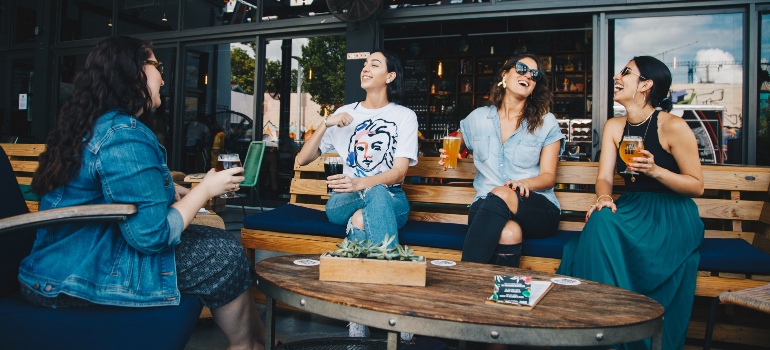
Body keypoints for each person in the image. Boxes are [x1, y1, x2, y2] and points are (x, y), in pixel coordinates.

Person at [21, 37, 273, 350]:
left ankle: (257, 340)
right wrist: (206, 189)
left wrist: (170, 188)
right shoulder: (124, 136)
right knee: (222, 253)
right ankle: (249, 343)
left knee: (218, 243)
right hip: (71, 276)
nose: (163, 78)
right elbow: (152, 235)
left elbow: (111, 192)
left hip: (65, 260)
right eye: (157, 66)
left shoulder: (98, 125)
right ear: (134, 71)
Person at [557, 56, 704, 350]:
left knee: (598, 231)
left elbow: (696, 185)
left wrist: (657, 171)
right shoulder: (614, 126)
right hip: (632, 208)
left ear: (646, 85)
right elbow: (605, 178)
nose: (616, 76)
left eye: (626, 72)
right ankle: (600, 336)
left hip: (670, 215)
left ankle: (626, 334)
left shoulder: (673, 126)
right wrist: (604, 197)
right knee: (600, 219)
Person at [296, 50, 418, 339]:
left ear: (389, 76)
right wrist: (326, 122)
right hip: (342, 202)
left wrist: (361, 183)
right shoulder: (344, 113)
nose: (366, 68)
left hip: (391, 200)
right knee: (368, 196)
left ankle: (358, 315)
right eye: (364, 64)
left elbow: (399, 172)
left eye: (374, 64)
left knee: (364, 217)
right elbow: (302, 159)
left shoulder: (403, 117)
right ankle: (394, 304)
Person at [452, 52, 565, 268]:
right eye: (522, 69)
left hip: (534, 206)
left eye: (534, 75)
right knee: (509, 232)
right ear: (505, 74)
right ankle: (502, 296)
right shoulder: (478, 118)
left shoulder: (546, 122)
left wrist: (524, 184)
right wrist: (451, 151)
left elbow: (549, 177)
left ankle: (463, 278)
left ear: (534, 86)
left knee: (503, 192)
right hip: (486, 205)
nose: (528, 76)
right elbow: (456, 143)